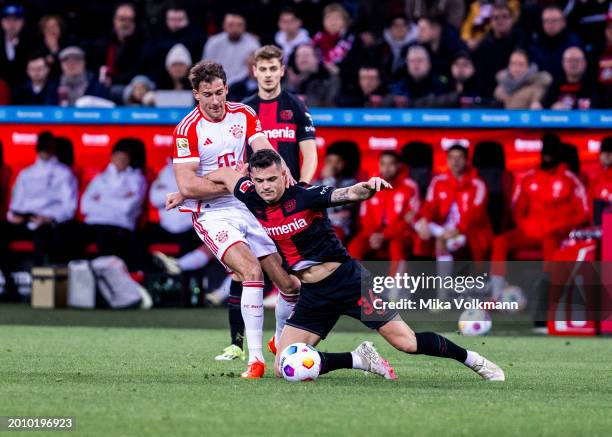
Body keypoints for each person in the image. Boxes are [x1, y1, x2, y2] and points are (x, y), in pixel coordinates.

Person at [188, 149, 505, 381]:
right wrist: (184, 191)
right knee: (282, 365)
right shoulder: (251, 194)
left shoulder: (306, 196)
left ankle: (475, 360)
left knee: (407, 343)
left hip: (349, 281)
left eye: (273, 179)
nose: (267, 186)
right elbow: (225, 176)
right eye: (260, 181)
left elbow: (347, 193)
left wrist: (367, 188)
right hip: (314, 294)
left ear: (284, 175)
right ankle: (359, 358)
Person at [170, 60, 299, 378]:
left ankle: (280, 342)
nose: (214, 101)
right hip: (213, 214)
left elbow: (264, 151)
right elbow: (187, 185)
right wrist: (230, 180)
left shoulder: (244, 113)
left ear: (226, 88)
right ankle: (255, 360)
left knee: (290, 286)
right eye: (206, 94)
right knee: (250, 270)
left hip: (248, 205)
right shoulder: (187, 130)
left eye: (218, 92)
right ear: (195, 94)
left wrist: (283, 172)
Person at [489, 139, 590, 300]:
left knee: (550, 243)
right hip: (530, 231)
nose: (547, 158)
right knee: (500, 241)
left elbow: (584, 211)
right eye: (545, 153)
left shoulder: (570, 179)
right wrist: (527, 226)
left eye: (551, 154)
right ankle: (495, 295)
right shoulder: (529, 177)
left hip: (556, 233)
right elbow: (517, 209)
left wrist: (561, 226)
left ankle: (549, 295)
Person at [414, 144, 493, 298]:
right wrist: (424, 219)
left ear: (466, 160)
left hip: (468, 231)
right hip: (444, 229)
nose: (455, 162)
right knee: (416, 223)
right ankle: (440, 293)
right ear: (447, 160)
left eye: (460, 158)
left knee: (446, 244)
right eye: (452, 158)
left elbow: (475, 215)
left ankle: (443, 296)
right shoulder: (439, 181)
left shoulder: (477, 183)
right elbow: (429, 205)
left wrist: (451, 233)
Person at [243, 45, 317, 183]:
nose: (268, 74)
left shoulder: (297, 105)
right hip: (254, 193)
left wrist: (302, 186)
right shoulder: (244, 109)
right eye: (263, 69)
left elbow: (310, 154)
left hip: (290, 191)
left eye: (273, 68)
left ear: (282, 70)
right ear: (255, 71)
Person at [3, 132, 78, 265]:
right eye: (42, 147)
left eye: (47, 147)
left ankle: (41, 281)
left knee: (45, 237)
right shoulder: (26, 173)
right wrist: (13, 216)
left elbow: (69, 207)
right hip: (25, 220)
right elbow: (15, 204)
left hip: (48, 222)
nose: (44, 151)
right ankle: (7, 278)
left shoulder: (64, 173)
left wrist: (49, 219)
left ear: (53, 149)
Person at [79, 139, 148, 269]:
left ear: (129, 160)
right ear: (111, 157)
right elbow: (85, 205)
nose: (119, 161)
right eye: (117, 157)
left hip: (119, 226)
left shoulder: (137, 179)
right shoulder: (100, 178)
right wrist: (118, 200)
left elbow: (127, 208)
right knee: (68, 238)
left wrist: (101, 200)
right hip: (93, 224)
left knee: (107, 241)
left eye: (124, 158)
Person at [348, 151, 419, 272]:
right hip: (373, 233)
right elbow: (365, 217)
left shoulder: (410, 186)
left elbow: (409, 219)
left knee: (397, 246)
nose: (386, 168)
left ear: (398, 166)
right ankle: (355, 286)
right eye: (383, 164)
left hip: (399, 234)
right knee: (355, 246)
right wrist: (374, 235)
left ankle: (395, 289)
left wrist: (384, 235)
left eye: (391, 164)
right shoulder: (370, 185)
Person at [471, 1, 525, 98]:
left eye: (504, 17)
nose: (500, 21)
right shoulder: (483, 47)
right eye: (496, 18)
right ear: (490, 22)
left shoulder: (522, 42)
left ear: (512, 19)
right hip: (488, 98)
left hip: (517, 93)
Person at [202, 12, 260, 87]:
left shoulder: (253, 44)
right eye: (231, 25)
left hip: (242, 85)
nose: (235, 29)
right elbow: (205, 66)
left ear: (245, 26)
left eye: (239, 25)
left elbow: (252, 70)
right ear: (224, 25)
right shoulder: (213, 43)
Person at [528, 5, 582, 83]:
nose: (550, 24)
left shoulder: (573, 43)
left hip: (566, 84)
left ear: (563, 22)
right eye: (546, 21)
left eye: (554, 20)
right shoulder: (536, 42)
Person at [0, 4, 32, 87]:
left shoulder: (31, 41)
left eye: (16, 20)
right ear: (2, 22)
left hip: (24, 89)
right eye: (8, 20)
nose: (11, 24)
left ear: (22, 22)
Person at [589, 137, 612, 224]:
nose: (607, 155)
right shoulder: (594, 179)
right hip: (599, 228)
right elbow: (590, 207)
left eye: (610, 152)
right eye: (604, 151)